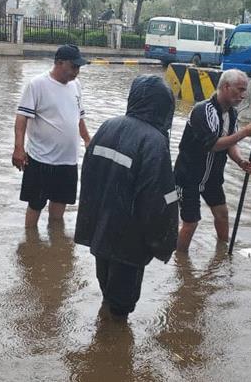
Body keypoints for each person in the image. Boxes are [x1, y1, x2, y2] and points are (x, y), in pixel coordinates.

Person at [74, 75, 179, 320]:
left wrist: (91, 224)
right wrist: (163, 243)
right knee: (122, 306)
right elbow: (159, 199)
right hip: (129, 241)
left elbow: (88, 178)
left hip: (100, 231)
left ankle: (104, 336)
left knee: (108, 291)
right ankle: (112, 349)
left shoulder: (107, 126)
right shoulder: (155, 141)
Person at [174, 69, 251, 253]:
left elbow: (230, 143)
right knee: (191, 223)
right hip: (189, 177)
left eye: (244, 90)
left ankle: (222, 253)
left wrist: (240, 161)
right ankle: (180, 263)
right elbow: (213, 145)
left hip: (211, 178)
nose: (243, 95)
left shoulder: (231, 114)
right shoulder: (202, 110)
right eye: (239, 89)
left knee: (222, 215)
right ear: (225, 87)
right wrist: (245, 132)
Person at [12, 44, 91, 227]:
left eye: (79, 67)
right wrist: (18, 149)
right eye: (73, 66)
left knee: (59, 210)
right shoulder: (37, 85)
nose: (76, 72)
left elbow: (79, 117)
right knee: (35, 205)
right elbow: (22, 117)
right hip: (41, 159)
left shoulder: (76, 86)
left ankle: (56, 247)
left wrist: (87, 139)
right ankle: (29, 246)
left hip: (67, 161)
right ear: (59, 63)